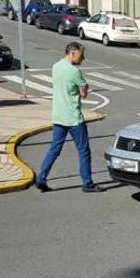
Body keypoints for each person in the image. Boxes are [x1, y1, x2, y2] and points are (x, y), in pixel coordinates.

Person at [35, 42, 105, 193]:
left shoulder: (56, 66)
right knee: (83, 150)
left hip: (58, 116)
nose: (83, 58)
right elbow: (83, 92)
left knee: (54, 149)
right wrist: (84, 88)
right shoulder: (74, 72)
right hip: (73, 118)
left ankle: (41, 178)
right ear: (73, 53)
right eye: (81, 54)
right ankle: (87, 183)